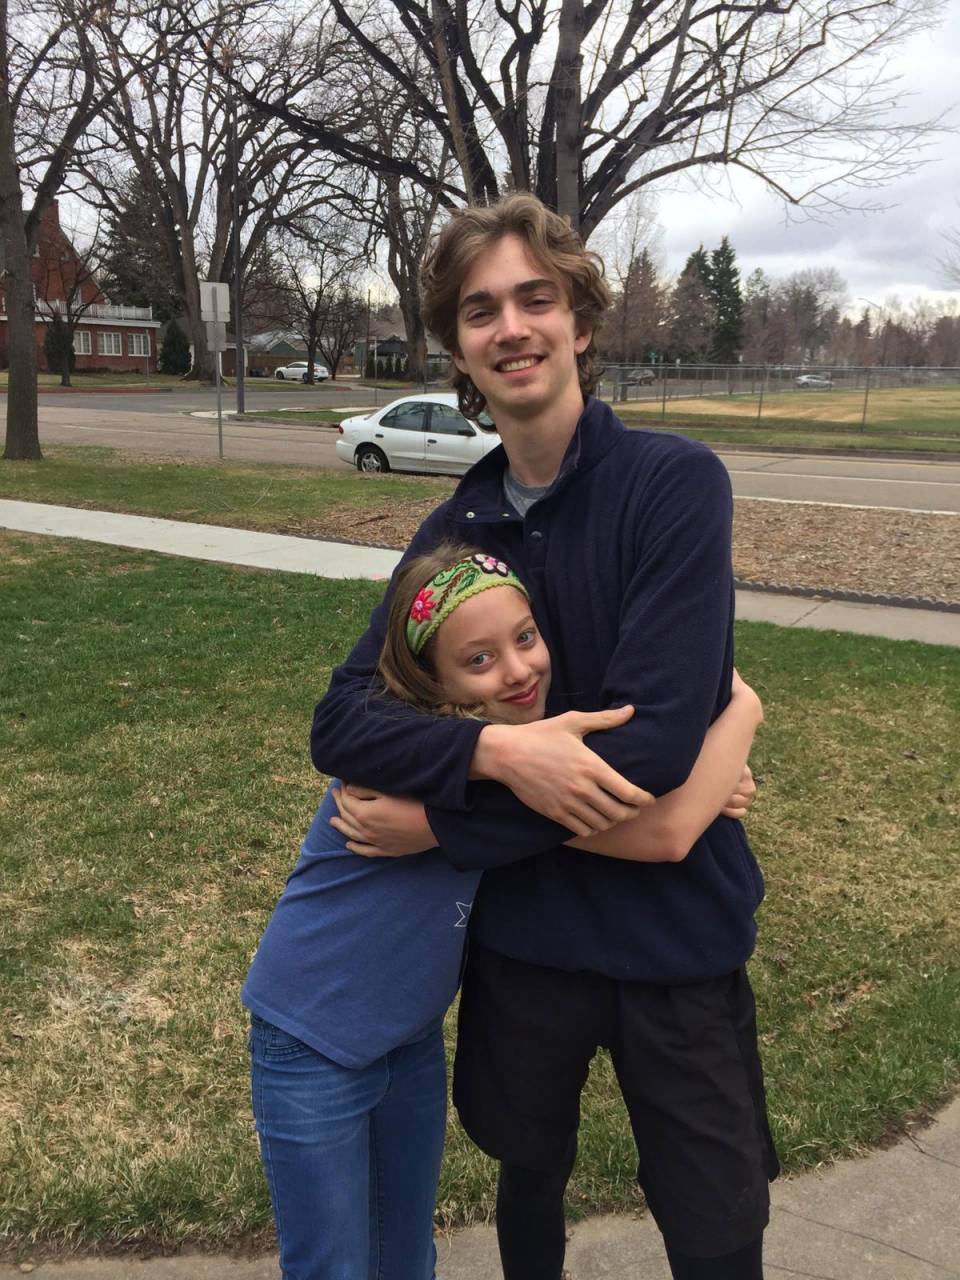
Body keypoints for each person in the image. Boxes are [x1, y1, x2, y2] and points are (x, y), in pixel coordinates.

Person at [312, 192, 779, 1280]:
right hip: (528, 945)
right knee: (528, 1180)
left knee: (717, 1224)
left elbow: (655, 755)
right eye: (480, 310)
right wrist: (494, 750)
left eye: (535, 297)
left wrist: (438, 826)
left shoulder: (672, 484)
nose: (511, 326)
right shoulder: (455, 525)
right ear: (459, 349)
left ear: (581, 320)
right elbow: (343, 716)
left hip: (680, 936)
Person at [245, 541, 763, 1280]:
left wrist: (715, 778)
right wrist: (735, 727)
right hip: (310, 1039)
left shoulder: (523, 755)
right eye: (478, 661)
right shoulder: (424, 761)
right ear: (434, 684)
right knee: (332, 1265)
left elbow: (618, 804)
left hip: (406, 1040)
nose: (517, 670)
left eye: (525, 638)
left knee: (404, 1256)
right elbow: (646, 828)